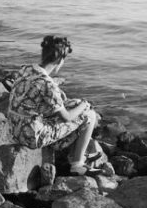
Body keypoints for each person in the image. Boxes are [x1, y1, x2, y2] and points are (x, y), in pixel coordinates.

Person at [7, 35, 101, 175]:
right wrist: (85, 104)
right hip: (31, 137)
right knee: (89, 114)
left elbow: (36, 88)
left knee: (73, 103)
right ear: (60, 60)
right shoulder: (47, 84)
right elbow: (67, 117)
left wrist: (56, 84)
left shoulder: (26, 69)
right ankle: (77, 164)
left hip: (14, 129)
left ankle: (74, 154)